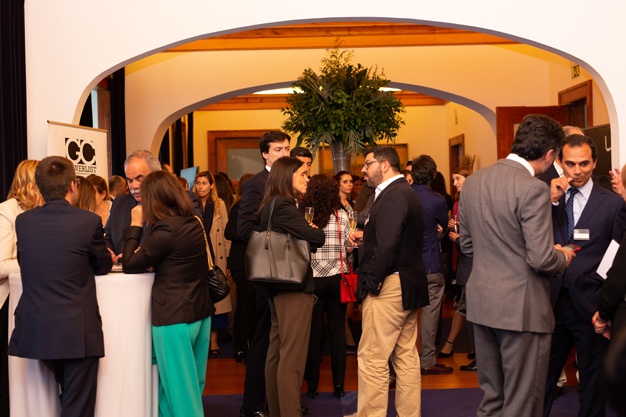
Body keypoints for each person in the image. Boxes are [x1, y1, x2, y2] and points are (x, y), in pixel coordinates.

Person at [458, 114, 574, 417]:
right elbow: (541, 258)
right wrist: (562, 256)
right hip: (522, 310)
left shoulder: (473, 183)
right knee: (523, 403)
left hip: (481, 304)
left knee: (492, 400)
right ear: (550, 154)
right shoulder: (533, 188)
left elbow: (466, 246)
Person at [8, 156, 112, 417]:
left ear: (39, 187)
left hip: (37, 327)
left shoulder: (24, 221)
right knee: (77, 406)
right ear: (73, 185)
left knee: (70, 398)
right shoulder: (88, 221)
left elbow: (28, 261)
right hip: (76, 331)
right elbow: (102, 266)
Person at [543, 134, 626, 417]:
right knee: (541, 379)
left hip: (591, 305)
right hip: (550, 302)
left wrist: (605, 303)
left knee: (592, 383)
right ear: (559, 162)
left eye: (584, 164)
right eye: (570, 164)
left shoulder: (612, 203)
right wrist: (548, 202)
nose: (577, 171)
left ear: (595, 162)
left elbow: (617, 254)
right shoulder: (545, 198)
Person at [121, 170, 213, 417]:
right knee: (186, 390)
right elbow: (178, 259)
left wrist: (135, 224)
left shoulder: (165, 229)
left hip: (174, 318)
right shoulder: (193, 222)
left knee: (181, 397)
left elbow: (129, 263)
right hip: (200, 313)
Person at [348, 146, 428, 417]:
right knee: (405, 356)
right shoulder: (403, 192)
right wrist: (367, 236)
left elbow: (387, 247)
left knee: (373, 358)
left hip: (390, 285)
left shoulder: (394, 194)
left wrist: (371, 284)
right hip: (406, 283)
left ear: (384, 165)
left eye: (367, 164)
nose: (363, 170)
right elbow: (394, 237)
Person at [257, 157, 325, 417]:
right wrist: (310, 230)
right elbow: (317, 236)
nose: (307, 178)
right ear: (288, 176)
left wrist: (306, 231)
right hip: (292, 287)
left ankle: (277, 411)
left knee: (277, 352)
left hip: (277, 286)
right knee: (292, 358)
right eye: (303, 174)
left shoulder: (271, 203)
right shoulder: (285, 205)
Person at [237, 130, 292, 417]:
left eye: (287, 149)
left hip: (289, 273)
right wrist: (279, 240)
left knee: (282, 341)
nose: (284, 154)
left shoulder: (291, 182)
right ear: (265, 154)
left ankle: (276, 402)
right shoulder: (256, 184)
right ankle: (252, 406)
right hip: (266, 272)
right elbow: (244, 228)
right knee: (263, 340)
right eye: (278, 149)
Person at [303, 174, 352, 400]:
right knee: (337, 332)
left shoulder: (306, 216)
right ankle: (339, 385)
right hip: (337, 278)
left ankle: (312, 385)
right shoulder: (341, 215)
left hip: (313, 279)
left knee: (313, 334)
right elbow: (348, 247)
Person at [0, 160, 42, 415]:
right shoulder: (7, 211)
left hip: (33, 299)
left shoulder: (43, 210)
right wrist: (36, 261)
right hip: (7, 301)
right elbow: (1, 264)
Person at [105, 149, 199, 260]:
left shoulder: (180, 200)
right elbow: (108, 237)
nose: (134, 186)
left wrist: (146, 254)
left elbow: (191, 240)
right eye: (129, 180)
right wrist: (107, 250)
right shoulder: (119, 204)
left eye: (140, 179)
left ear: (156, 176)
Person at [410, 155, 451, 375]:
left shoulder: (403, 195)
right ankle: (426, 360)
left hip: (407, 265)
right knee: (430, 314)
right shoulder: (437, 200)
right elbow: (444, 227)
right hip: (430, 263)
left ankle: (403, 361)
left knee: (405, 314)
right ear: (432, 175)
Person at [438, 166, 476, 372]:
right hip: (461, 259)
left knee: (467, 306)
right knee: (465, 306)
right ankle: (473, 349)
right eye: (453, 179)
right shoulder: (456, 203)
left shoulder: (475, 202)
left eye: (458, 179)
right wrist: (451, 227)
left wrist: (460, 237)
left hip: (472, 261)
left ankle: (458, 346)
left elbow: (477, 234)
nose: (455, 183)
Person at [194, 170, 232, 355]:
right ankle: (201, 339)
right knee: (201, 299)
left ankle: (214, 339)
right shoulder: (192, 204)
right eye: (198, 183)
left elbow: (226, 233)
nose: (201, 187)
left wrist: (228, 261)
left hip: (216, 257)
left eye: (204, 183)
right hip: (198, 256)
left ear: (211, 185)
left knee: (217, 297)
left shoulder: (219, 205)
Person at [225, 173, 255, 364]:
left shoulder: (250, 206)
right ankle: (242, 347)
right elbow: (229, 232)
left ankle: (242, 347)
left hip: (248, 262)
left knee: (247, 304)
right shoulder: (240, 207)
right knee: (246, 305)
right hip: (241, 263)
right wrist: (251, 234)